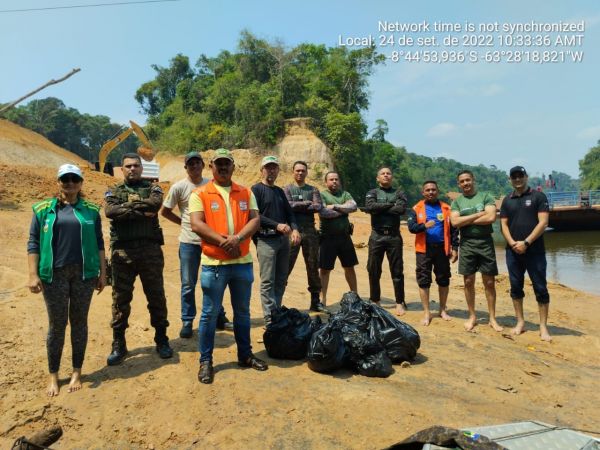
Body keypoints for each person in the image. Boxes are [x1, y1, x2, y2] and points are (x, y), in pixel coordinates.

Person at [190, 148, 267, 384]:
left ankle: (245, 355)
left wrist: (238, 239)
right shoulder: (200, 193)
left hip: (242, 263)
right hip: (214, 264)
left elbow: (255, 218)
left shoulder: (245, 192)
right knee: (210, 314)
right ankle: (206, 361)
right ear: (211, 166)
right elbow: (196, 224)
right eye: (219, 164)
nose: (223, 167)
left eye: (227, 164)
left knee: (242, 312)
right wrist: (224, 241)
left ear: (233, 167)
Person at [27, 164, 106, 396]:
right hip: (54, 275)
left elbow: (100, 243)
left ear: (81, 183)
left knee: (79, 323)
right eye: (65, 179)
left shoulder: (91, 210)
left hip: (84, 274)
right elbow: (33, 242)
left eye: (74, 179)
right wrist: (33, 274)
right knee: (57, 325)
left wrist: (103, 273)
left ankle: (76, 372)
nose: (69, 183)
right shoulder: (43, 209)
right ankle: (53, 375)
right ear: (58, 182)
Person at [105, 153, 173, 365]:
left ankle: (161, 338)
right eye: (128, 166)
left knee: (156, 297)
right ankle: (119, 343)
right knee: (120, 300)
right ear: (122, 169)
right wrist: (139, 210)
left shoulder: (154, 188)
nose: (132, 169)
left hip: (149, 251)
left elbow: (154, 205)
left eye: (136, 165)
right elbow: (110, 211)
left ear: (141, 168)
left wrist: (126, 211)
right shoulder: (113, 190)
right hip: (122, 254)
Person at [160, 151, 232, 338]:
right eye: (190, 164)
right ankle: (187, 320)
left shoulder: (212, 185)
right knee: (188, 284)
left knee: (215, 281)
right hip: (189, 243)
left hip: (211, 241)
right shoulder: (179, 187)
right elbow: (165, 211)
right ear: (186, 167)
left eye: (197, 163)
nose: (194, 166)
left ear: (203, 165)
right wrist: (183, 223)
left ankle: (219, 317)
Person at [500, 166, 552, 341]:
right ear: (510, 180)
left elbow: (543, 223)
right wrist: (513, 243)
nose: (517, 179)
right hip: (513, 251)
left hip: (535, 251)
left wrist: (527, 242)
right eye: (514, 177)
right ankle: (520, 322)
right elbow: (504, 225)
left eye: (520, 176)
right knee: (516, 287)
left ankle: (543, 326)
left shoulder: (538, 196)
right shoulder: (507, 200)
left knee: (541, 288)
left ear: (526, 177)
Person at [450, 170, 503, 332]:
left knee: (489, 282)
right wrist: (478, 214)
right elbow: (454, 222)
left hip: (485, 242)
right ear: (459, 184)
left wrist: (466, 220)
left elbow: (491, 218)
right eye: (462, 181)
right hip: (466, 244)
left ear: (473, 180)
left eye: (468, 180)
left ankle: (492, 318)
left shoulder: (486, 196)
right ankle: (472, 316)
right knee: (468, 281)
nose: (465, 183)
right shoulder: (457, 202)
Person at [252, 156, 301, 323]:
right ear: (262, 170)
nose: (271, 170)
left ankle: (276, 312)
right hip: (266, 240)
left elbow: (290, 214)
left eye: (274, 167)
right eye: (268, 167)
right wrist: (277, 225)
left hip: (282, 241)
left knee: (281, 278)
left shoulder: (280, 191)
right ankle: (269, 317)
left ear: (278, 170)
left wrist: (295, 229)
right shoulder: (256, 190)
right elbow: (254, 216)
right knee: (267, 281)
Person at [407, 181, 459, 325]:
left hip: (442, 249)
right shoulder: (417, 208)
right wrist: (424, 226)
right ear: (423, 192)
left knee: (443, 279)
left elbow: (454, 230)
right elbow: (411, 227)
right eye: (428, 190)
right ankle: (426, 312)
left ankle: (442, 309)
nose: (431, 192)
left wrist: (455, 248)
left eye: (433, 190)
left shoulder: (446, 208)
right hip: (424, 250)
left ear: (438, 191)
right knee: (424, 280)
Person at [362, 167, 408, 316]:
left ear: (392, 177)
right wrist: (391, 205)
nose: (386, 175)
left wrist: (380, 208)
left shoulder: (399, 192)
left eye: (388, 173)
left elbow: (401, 210)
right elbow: (370, 207)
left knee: (397, 270)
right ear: (378, 178)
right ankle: (375, 300)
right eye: (383, 173)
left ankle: (399, 302)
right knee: (373, 269)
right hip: (377, 236)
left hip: (394, 236)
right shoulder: (373, 192)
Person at [284, 161, 327, 312]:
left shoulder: (313, 189)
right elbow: (287, 205)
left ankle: (315, 301)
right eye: (297, 170)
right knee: (286, 265)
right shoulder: (287, 188)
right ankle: (277, 301)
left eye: (303, 171)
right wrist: (306, 204)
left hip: (310, 231)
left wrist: (298, 205)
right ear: (293, 172)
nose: (300, 173)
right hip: (292, 230)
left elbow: (318, 206)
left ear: (306, 172)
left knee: (313, 265)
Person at [318, 171, 358, 306]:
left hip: (345, 237)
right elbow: (324, 212)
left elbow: (353, 206)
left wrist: (335, 206)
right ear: (326, 182)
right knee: (324, 270)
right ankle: (322, 300)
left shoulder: (345, 194)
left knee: (350, 267)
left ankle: (355, 296)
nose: (334, 181)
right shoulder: (321, 195)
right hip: (327, 238)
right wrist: (343, 210)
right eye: (331, 179)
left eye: (336, 179)